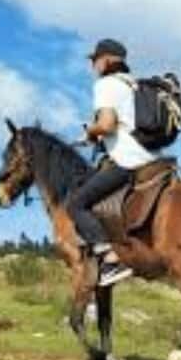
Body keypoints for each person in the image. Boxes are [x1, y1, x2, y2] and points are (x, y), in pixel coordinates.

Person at [67, 39, 158, 287]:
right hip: (150, 157)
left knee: (76, 204)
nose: (93, 65)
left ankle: (112, 258)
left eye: (95, 60)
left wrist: (90, 132)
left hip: (127, 160)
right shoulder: (133, 84)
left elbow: (107, 124)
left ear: (106, 59)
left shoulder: (106, 84)